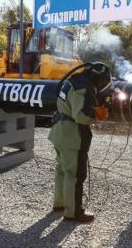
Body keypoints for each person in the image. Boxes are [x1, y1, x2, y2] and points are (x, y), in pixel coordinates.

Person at [48, 62, 111, 223]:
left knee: (62, 170)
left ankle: (59, 204)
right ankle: (73, 213)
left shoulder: (72, 81)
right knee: (75, 175)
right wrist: (98, 115)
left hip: (58, 131)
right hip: (72, 136)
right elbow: (81, 116)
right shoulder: (83, 88)